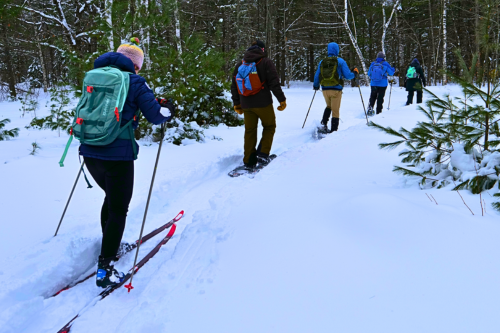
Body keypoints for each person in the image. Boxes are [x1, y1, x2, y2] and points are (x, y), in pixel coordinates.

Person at [79, 38, 175, 288]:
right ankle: (106, 268)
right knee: (118, 209)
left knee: (110, 200)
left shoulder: (94, 77)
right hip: (118, 155)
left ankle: (109, 243)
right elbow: (156, 116)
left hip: (89, 152)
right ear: (135, 66)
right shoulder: (135, 81)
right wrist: (168, 109)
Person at [231, 40, 286, 168]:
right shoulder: (266, 62)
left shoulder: (240, 64)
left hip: (246, 104)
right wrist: (281, 99)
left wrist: (237, 104)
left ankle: (248, 160)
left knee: (250, 131)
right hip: (263, 103)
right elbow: (274, 83)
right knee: (269, 126)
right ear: (262, 50)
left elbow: (234, 86)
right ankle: (262, 155)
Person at [313, 42, 357, 133]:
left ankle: (323, 124)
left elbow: (317, 75)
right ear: (337, 50)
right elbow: (348, 76)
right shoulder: (340, 61)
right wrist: (355, 73)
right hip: (336, 89)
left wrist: (316, 85)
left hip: (325, 89)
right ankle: (334, 131)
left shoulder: (322, 61)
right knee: (335, 110)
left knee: (328, 106)